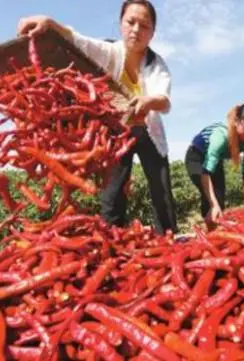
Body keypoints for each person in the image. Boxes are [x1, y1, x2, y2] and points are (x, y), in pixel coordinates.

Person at [17, 0, 178, 234]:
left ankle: (168, 237)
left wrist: (148, 101)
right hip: (116, 131)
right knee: (114, 189)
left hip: (147, 131)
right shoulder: (110, 51)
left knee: (160, 186)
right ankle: (113, 239)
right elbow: (80, 42)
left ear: (152, 32)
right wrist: (51, 24)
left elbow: (164, 99)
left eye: (144, 26)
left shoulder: (156, 64)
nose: (136, 30)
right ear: (121, 24)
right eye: (130, 22)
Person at [185, 103, 244, 229]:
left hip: (215, 161)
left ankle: (214, 233)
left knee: (219, 199)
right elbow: (206, 172)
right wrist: (213, 204)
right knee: (210, 198)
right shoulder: (221, 136)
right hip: (196, 157)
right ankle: (210, 232)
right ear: (237, 122)